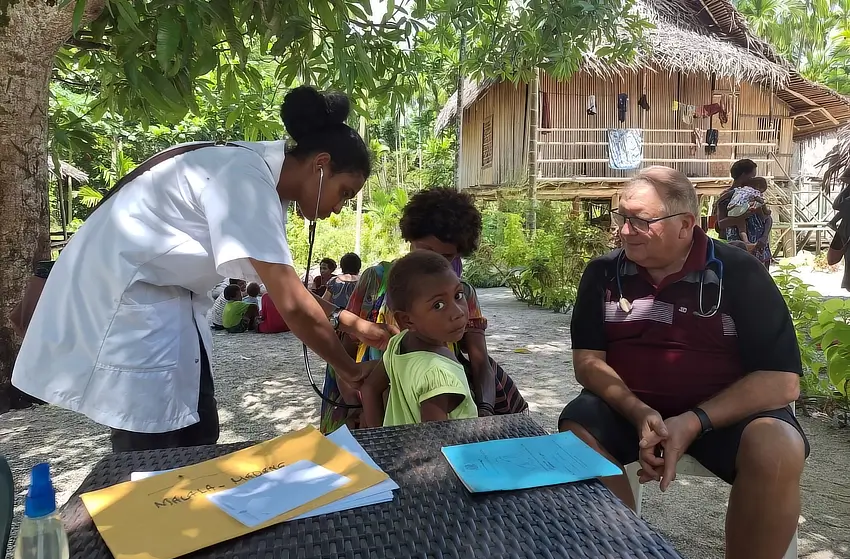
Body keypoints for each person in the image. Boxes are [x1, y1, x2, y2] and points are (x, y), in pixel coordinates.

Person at [11, 85, 392, 453]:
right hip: (126, 303)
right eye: (344, 192)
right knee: (150, 452)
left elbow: (285, 287)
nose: (340, 207)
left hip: (167, 304)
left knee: (198, 430)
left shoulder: (251, 174)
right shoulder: (245, 178)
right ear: (321, 164)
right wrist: (349, 369)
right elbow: (292, 304)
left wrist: (351, 323)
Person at [559, 166, 808, 559]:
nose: (624, 230)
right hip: (629, 412)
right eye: (622, 217)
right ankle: (624, 556)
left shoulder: (740, 273)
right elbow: (588, 362)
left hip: (722, 416)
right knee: (575, 433)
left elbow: (781, 382)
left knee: (778, 447)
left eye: (641, 220)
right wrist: (639, 412)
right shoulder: (603, 274)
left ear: (686, 225)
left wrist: (693, 421)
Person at [321, 187, 528, 433]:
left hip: (430, 402)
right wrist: (356, 403)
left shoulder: (463, 293)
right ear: (410, 238)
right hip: (361, 405)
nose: (437, 262)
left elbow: (480, 362)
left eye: (448, 256)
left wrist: (484, 412)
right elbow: (346, 348)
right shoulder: (375, 280)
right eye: (427, 250)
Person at [361, 251, 478, 427]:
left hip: (400, 451)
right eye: (438, 305)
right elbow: (435, 444)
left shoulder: (397, 343)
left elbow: (369, 389)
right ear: (407, 320)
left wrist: (379, 444)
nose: (458, 313)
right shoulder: (438, 375)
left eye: (458, 296)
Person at [725, 177, 767, 245]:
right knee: (742, 226)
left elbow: (729, 194)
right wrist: (766, 210)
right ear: (758, 187)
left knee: (741, 225)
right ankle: (746, 241)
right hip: (742, 208)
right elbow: (761, 201)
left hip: (732, 209)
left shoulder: (741, 189)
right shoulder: (755, 192)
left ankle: (745, 240)